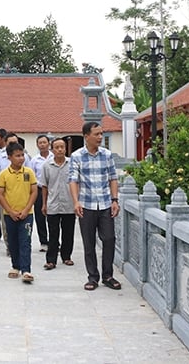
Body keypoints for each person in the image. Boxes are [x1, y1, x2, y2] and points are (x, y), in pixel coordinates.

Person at [69, 122, 122, 291]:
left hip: (106, 204)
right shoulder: (77, 156)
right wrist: (76, 201)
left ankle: (108, 275)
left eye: (101, 134)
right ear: (86, 136)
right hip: (86, 205)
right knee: (89, 243)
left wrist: (115, 200)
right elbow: (73, 180)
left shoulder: (106, 155)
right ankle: (92, 277)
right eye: (97, 134)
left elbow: (113, 178)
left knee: (109, 239)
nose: (100, 137)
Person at [0, 141, 38, 283]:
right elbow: (0, 194)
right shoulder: (4, 175)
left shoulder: (29, 172)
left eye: (22, 155)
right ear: (9, 157)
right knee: (12, 241)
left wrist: (26, 209)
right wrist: (10, 211)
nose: (21, 158)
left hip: (27, 214)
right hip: (10, 215)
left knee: (25, 241)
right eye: (17, 156)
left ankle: (26, 270)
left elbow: (34, 191)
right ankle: (15, 266)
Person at [40, 137, 76, 269]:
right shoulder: (46, 166)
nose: (60, 149)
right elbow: (44, 186)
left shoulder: (72, 164)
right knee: (53, 233)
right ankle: (51, 260)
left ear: (66, 149)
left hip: (69, 204)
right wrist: (44, 204)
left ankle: (66, 257)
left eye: (62, 147)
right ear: (52, 149)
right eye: (57, 147)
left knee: (68, 232)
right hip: (53, 204)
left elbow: (77, 184)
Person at [28, 134, 51, 252]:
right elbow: (31, 176)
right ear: (37, 145)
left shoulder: (53, 157)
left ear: (48, 144)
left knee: (53, 216)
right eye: (40, 143)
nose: (42, 145)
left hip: (52, 190)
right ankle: (44, 241)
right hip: (39, 189)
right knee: (40, 216)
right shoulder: (34, 160)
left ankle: (53, 241)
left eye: (44, 142)